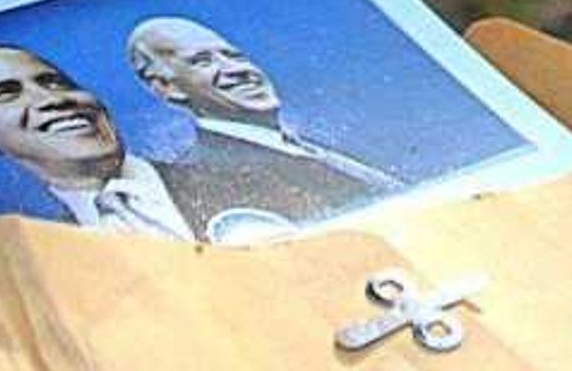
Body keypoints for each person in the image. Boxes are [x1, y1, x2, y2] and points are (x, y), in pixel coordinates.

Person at [0, 40, 232, 240]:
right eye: (5, 95)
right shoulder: (46, 268)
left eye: (55, 83)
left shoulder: (240, 177)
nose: (52, 100)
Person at [125, 14, 392, 225]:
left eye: (234, 55)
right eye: (202, 61)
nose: (238, 70)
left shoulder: (318, 144)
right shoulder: (205, 176)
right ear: (168, 87)